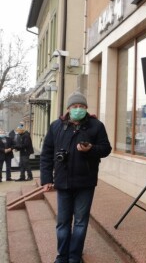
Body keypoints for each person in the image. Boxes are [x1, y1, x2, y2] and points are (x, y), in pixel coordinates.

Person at [40, 91, 112, 263]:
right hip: (62, 182)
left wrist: (91, 149)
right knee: (63, 222)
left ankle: (74, 256)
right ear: (69, 109)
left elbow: (106, 149)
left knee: (80, 222)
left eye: (81, 106)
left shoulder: (96, 125)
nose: (78, 109)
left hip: (85, 182)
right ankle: (61, 256)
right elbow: (46, 154)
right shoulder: (56, 126)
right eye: (75, 106)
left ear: (86, 108)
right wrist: (46, 179)